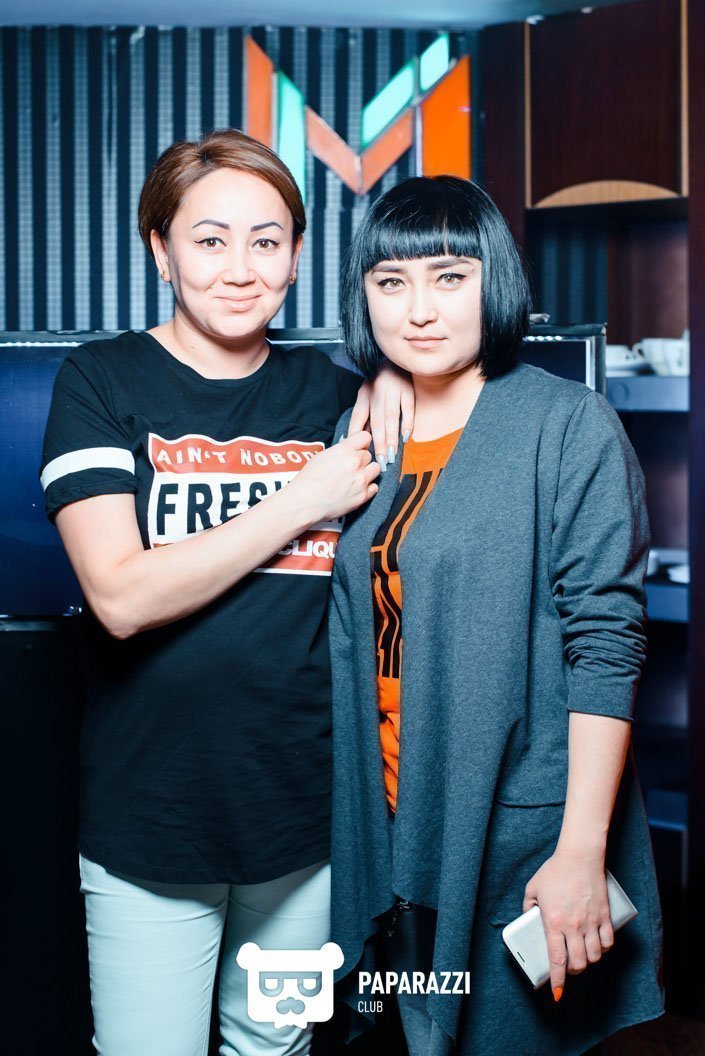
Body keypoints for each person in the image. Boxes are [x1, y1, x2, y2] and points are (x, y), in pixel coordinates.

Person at [39, 129, 414, 1056]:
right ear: (160, 250)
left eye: (266, 240)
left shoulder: (338, 395)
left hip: (309, 821)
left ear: (296, 254)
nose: (240, 269)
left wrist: (398, 375)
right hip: (152, 819)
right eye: (209, 240)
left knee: (275, 1049)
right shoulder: (100, 380)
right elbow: (121, 596)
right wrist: (300, 499)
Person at [329, 175, 665, 1056]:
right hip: (387, 822)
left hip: (512, 824)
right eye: (390, 282)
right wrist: (375, 383)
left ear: (496, 281)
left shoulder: (567, 424)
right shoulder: (362, 433)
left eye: (450, 276)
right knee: (411, 1035)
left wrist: (580, 850)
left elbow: (605, 643)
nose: (419, 309)